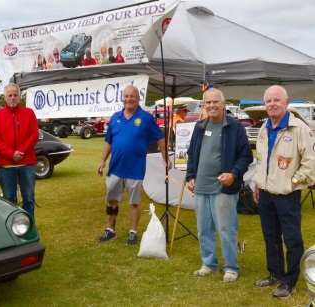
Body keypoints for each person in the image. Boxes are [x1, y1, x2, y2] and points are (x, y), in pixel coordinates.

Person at [251, 85, 315, 299]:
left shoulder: (299, 129)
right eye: (268, 101)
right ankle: (275, 274)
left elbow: (310, 164)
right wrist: (259, 184)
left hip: (287, 195)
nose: (272, 104)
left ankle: (289, 280)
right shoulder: (263, 128)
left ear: (287, 102)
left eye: (277, 100)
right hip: (266, 194)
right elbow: (261, 162)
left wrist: (293, 182)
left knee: (292, 239)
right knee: (270, 237)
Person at [186, 88, 253, 283]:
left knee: (226, 229)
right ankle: (209, 263)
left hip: (224, 188)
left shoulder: (235, 127)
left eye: (216, 102)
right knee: (203, 229)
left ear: (223, 104)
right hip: (200, 188)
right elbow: (192, 155)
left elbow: (246, 155)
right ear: (204, 105)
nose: (212, 105)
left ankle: (231, 267)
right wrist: (190, 176)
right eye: (208, 102)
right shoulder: (199, 127)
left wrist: (233, 174)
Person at [97, 85, 171, 244]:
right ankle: (110, 230)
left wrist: (166, 157)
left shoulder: (145, 118)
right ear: (122, 98)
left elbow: (160, 138)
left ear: (138, 99)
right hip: (115, 167)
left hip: (135, 169)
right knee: (111, 200)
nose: (129, 99)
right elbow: (109, 142)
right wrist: (102, 161)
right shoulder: (115, 117)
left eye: (132, 97)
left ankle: (133, 232)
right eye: (126, 96)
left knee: (134, 201)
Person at [0, 83, 39, 217]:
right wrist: (11, 154)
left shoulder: (29, 113)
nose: (13, 98)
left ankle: (29, 225)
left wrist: (21, 152)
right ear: (4, 97)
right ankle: (13, 226)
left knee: (28, 198)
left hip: (26, 163)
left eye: (15, 95)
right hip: (6, 164)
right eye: (10, 95)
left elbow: (34, 135)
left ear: (19, 96)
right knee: (9, 199)